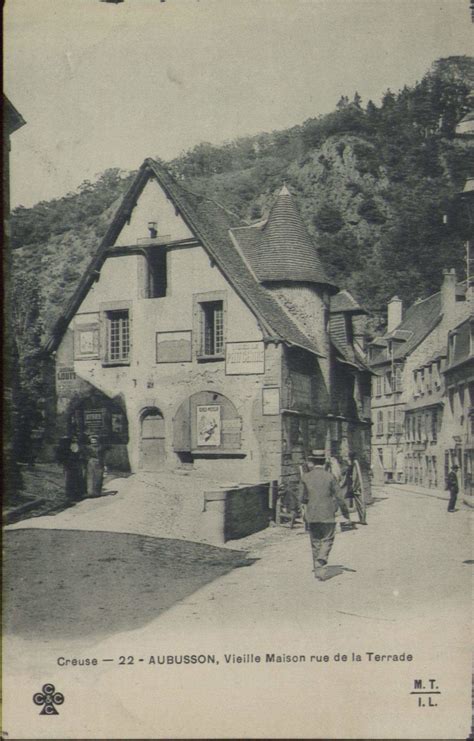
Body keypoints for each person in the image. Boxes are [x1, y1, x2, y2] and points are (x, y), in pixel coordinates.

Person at [300, 450, 351, 580]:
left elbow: (301, 497)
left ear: (312, 462)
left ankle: (319, 571)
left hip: (312, 514)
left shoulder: (305, 477)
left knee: (315, 542)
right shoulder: (330, 477)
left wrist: (307, 505)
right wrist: (345, 513)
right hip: (327, 514)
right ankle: (322, 558)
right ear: (324, 462)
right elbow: (339, 497)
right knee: (328, 539)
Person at [56, 435, 86, 502]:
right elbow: (60, 457)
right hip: (69, 465)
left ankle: (77, 495)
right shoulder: (63, 448)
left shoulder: (74, 446)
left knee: (76, 479)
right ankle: (72, 495)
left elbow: (77, 455)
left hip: (74, 465)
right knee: (70, 480)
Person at [340, 452, 367, 525]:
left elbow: (355, 476)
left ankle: (361, 518)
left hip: (353, 487)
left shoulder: (355, 464)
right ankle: (351, 518)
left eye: (347, 457)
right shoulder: (350, 465)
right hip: (350, 485)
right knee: (349, 503)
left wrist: (353, 486)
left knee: (355, 503)